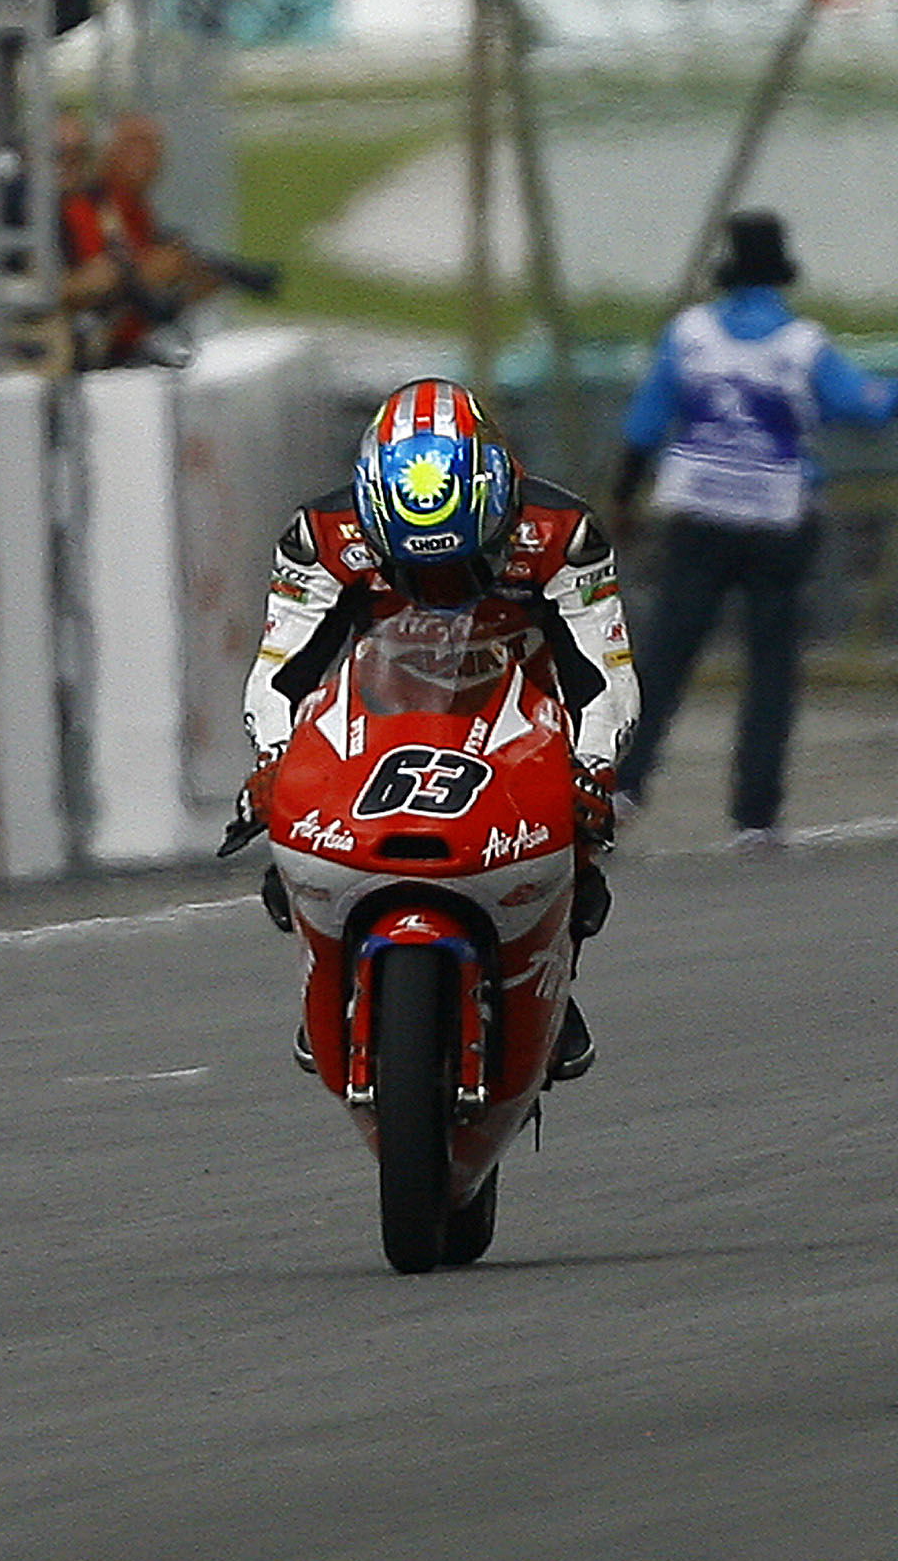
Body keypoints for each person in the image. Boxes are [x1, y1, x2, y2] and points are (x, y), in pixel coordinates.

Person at [234, 378, 635, 1080]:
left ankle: (546, 979)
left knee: (584, 860)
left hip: (522, 715)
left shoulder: (564, 536)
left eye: (463, 566)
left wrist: (592, 765)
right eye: (417, 571)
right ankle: (327, 972)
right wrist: (274, 759)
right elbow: (279, 673)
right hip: (380, 710)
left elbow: (604, 674)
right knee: (288, 845)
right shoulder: (320, 537)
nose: (443, 588)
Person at [608, 209, 898, 845]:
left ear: (726, 271)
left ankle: (624, 787)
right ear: (781, 274)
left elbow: (643, 429)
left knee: (665, 659)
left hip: (697, 516)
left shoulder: (690, 334)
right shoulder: (802, 346)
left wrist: (622, 502)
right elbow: (871, 407)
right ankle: (754, 816)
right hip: (776, 521)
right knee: (770, 671)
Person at [57, 111, 274, 367]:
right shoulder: (84, 209)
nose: (147, 156)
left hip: (122, 353)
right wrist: (143, 276)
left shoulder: (135, 213)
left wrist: (183, 289)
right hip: (86, 357)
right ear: (106, 152)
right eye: (134, 144)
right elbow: (87, 291)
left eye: (153, 146)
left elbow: (148, 307)